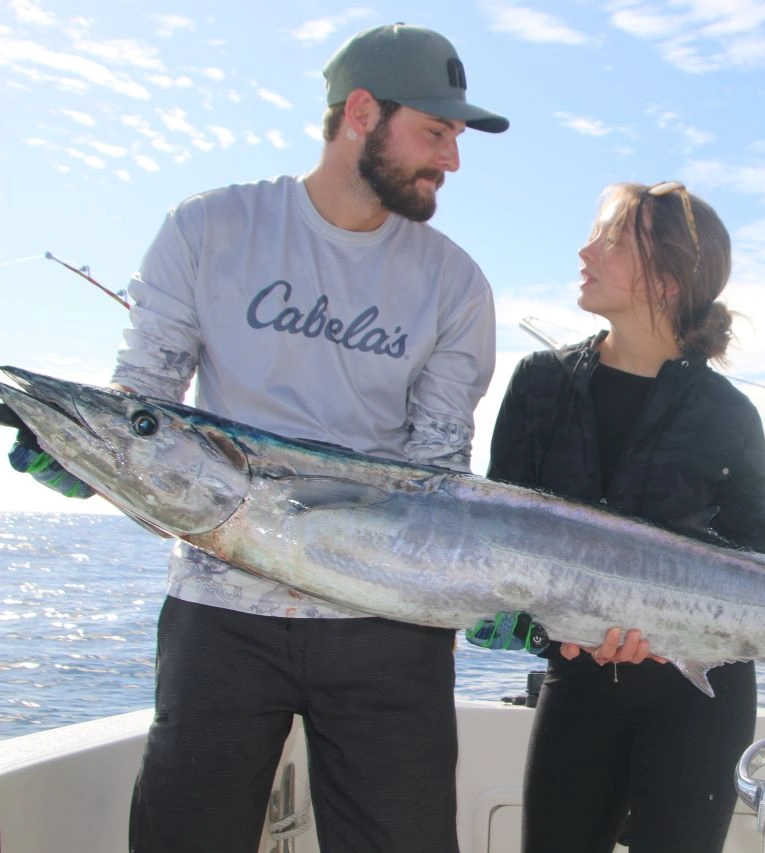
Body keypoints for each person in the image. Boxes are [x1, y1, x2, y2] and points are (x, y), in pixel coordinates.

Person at [5, 23, 507, 853]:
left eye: (454, 138)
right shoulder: (207, 228)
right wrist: (82, 461)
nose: (451, 159)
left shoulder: (456, 284)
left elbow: (437, 474)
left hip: (386, 627)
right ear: (359, 113)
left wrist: (477, 591)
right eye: (436, 131)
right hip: (218, 616)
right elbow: (144, 404)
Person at [482, 181, 765, 853]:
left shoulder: (728, 417)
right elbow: (498, 557)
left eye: (610, 239)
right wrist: (561, 631)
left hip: (698, 704)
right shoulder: (537, 387)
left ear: (668, 278)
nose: (585, 251)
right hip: (577, 685)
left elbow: (759, 570)